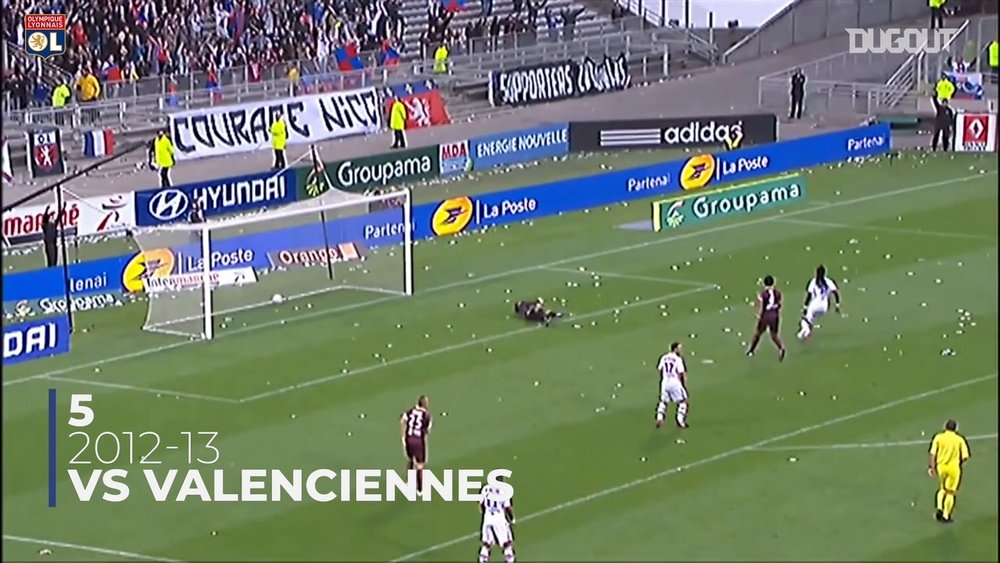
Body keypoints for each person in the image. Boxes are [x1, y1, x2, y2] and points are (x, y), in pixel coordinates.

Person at [928, 419, 970, 523]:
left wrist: (932, 467)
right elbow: (965, 457)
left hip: (941, 467)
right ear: (956, 428)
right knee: (950, 492)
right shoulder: (960, 439)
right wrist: (959, 465)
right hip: (953, 468)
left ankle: (939, 508)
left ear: (945, 427)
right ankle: (946, 516)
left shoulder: (938, 437)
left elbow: (933, 454)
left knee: (942, 488)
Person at [746, 275, 786, 360]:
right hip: (775, 315)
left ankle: (751, 351)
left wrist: (759, 315)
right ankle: (781, 348)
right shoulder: (778, 293)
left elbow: (762, 305)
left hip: (766, 316)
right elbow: (779, 305)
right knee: (774, 335)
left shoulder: (763, 293)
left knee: (758, 333)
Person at [797, 265, 841, 340]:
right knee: (810, 319)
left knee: (804, 319)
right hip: (824, 307)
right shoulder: (829, 281)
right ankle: (804, 332)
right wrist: (837, 305)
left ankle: (805, 332)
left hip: (814, 305)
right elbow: (836, 293)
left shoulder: (813, 282)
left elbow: (809, 295)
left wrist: (805, 307)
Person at [479, 475, 516, 563]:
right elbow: (507, 508)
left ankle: (483, 560)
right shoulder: (503, 491)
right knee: (507, 543)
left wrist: (485, 513)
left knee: (486, 543)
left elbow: (481, 504)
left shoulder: (485, 489)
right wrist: (512, 519)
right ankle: (509, 560)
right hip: (499, 519)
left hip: (487, 518)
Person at [400, 395, 432, 493]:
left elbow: (403, 421)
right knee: (420, 465)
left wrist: (403, 437)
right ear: (424, 404)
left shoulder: (409, 412)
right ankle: (420, 489)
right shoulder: (427, 415)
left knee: (410, 459)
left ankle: (409, 482)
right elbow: (427, 430)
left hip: (408, 439)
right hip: (418, 441)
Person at [655, 341, 689, 429]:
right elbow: (682, 373)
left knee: (663, 401)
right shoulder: (678, 359)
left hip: (665, 382)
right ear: (675, 349)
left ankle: (659, 418)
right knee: (683, 401)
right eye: (680, 349)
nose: (681, 351)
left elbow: (659, 370)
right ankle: (680, 420)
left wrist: (664, 378)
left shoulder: (663, 357)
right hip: (674, 382)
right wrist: (684, 385)